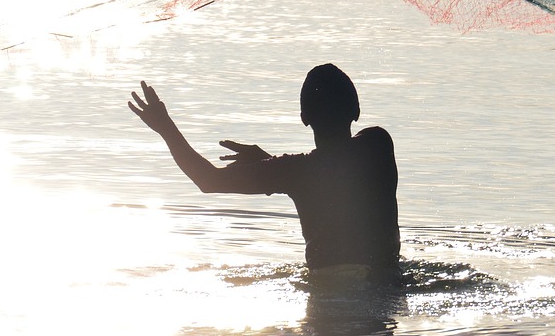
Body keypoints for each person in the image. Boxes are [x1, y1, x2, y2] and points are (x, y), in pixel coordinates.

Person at [128, 64, 400, 286]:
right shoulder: (378, 144)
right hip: (387, 282)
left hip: (331, 290)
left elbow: (208, 180)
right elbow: (335, 173)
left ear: (304, 117)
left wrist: (166, 128)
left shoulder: (294, 172)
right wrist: (270, 162)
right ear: (356, 110)